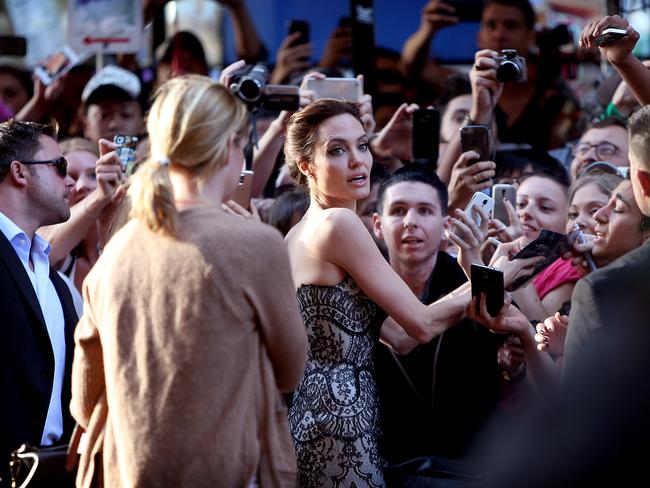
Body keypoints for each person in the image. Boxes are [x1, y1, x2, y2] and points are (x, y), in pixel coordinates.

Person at [283, 98, 536, 486]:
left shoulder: (299, 232)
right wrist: (495, 275)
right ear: (306, 166)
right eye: (337, 150)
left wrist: (478, 278)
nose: (357, 160)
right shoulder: (339, 225)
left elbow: (400, 338)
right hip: (340, 418)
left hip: (318, 412)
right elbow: (420, 325)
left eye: (362, 145)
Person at [70, 75, 308, 488]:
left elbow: (85, 396)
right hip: (231, 470)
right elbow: (291, 370)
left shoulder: (117, 251)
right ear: (231, 148)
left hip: (130, 471)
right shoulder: (255, 243)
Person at [371, 165, 500, 482]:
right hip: (384, 462)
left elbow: (496, 331)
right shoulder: (363, 285)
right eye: (398, 211)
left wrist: (475, 263)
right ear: (377, 224)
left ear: (446, 225)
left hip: (469, 465)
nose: (410, 221)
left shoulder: (465, 278)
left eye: (424, 211)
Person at [0, 120, 78, 484]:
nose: (72, 182)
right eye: (59, 166)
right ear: (20, 172)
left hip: (53, 471)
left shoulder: (51, 277)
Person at [80, 65, 145, 145]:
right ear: (86, 126)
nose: (114, 124)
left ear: (143, 124)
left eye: (126, 115)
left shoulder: (159, 156)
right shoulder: (67, 157)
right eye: (103, 115)